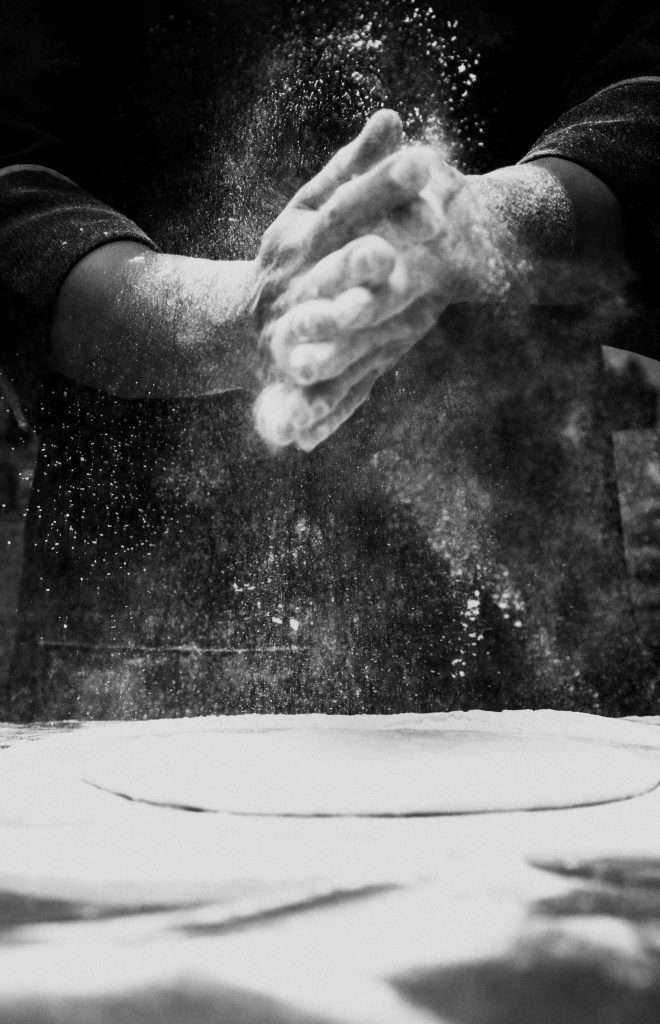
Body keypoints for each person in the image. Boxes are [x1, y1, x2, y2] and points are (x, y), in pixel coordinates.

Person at [0, 1, 658, 719]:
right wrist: (236, 313)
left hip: (530, 624)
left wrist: (487, 225)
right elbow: (17, 181)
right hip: (145, 627)